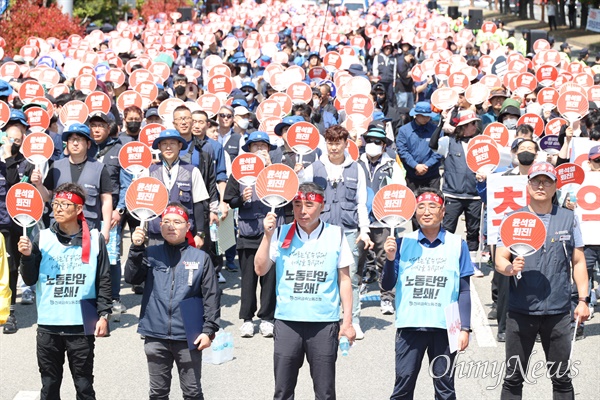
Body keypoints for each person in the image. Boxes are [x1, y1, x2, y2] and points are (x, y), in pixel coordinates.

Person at [495, 162, 589, 399]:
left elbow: (578, 262)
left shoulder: (569, 218)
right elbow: (499, 258)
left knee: (561, 378)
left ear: (555, 186)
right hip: (521, 310)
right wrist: (508, 268)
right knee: (513, 378)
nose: (541, 185)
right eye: (536, 180)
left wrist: (583, 299)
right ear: (527, 186)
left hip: (558, 311)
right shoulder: (513, 218)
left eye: (547, 181)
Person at [254, 182, 356, 400]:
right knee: (282, 391)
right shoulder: (280, 233)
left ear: (322, 206)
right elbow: (260, 269)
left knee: (325, 392)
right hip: (287, 321)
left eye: (309, 205)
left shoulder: (336, 234)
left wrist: (347, 321)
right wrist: (266, 236)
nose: (302, 210)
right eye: (297, 204)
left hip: (323, 323)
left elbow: (345, 280)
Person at [18, 182, 111, 400]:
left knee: (84, 385)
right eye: (56, 204)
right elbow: (29, 278)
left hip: (81, 324)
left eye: (65, 204)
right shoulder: (42, 237)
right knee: (49, 386)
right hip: (49, 325)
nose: (58, 209)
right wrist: (27, 256)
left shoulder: (95, 239)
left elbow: (104, 280)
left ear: (79, 209)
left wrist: (104, 314)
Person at [381, 187, 473, 399]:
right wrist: (390, 258)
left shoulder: (457, 244)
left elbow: (464, 290)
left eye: (433, 206)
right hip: (410, 324)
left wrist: (465, 328)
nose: (426, 212)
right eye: (421, 207)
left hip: (445, 326)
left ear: (443, 211)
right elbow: (387, 284)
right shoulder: (403, 242)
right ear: (414, 212)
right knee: (403, 384)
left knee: (445, 387)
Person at [125, 203, 220, 400]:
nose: (171, 226)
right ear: (160, 226)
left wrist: (208, 330)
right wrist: (135, 249)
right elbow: (131, 278)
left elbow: (211, 296)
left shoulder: (201, 258)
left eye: (177, 222)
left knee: (192, 392)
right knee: (158, 393)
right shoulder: (151, 253)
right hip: (155, 334)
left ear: (188, 226)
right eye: (166, 222)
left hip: (188, 336)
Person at [300, 125, 373, 339]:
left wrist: (365, 230)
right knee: (322, 274)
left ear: (345, 144)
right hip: (320, 230)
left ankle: (353, 320)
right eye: (330, 143)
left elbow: (361, 202)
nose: (334, 148)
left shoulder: (356, 168)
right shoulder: (314, 168)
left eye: (338, 143)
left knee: (350, 277)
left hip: (348, 230)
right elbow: (302, 197)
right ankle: (324, 318)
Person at [224, 131, 283, 338]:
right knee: (248, 278)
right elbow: (229, 199)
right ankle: (247, 319)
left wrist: (268, 169)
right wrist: (241, 198)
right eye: (255, 146)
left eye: (263, 146)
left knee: (269, 277)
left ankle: (267, 318)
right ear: (248, 149)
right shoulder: (238, 172)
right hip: (248, 231)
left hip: (271, 230)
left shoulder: (276, 171)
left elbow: (287, 197)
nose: (259, 150)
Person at [31, 123, 113, 244]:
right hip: (59, 230)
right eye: (71, 140)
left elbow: (106, 200)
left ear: (88, 144)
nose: (75, 143)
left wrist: (106, 229)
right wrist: (38, 185)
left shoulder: (99, 169)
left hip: (88, 230)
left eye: (79, 139)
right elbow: (47, 197)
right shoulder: (56, 167)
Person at [357, 126, 406, 314]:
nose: (372, 144)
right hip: (360, 220)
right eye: (369, 140)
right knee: (356, 259)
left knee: (385, 259)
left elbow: (400, 189)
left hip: (383, 221)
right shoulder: (356, 164)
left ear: (384, 146)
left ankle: (387, 297)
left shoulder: (392, 165)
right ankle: (355, 293)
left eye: (377, 142)